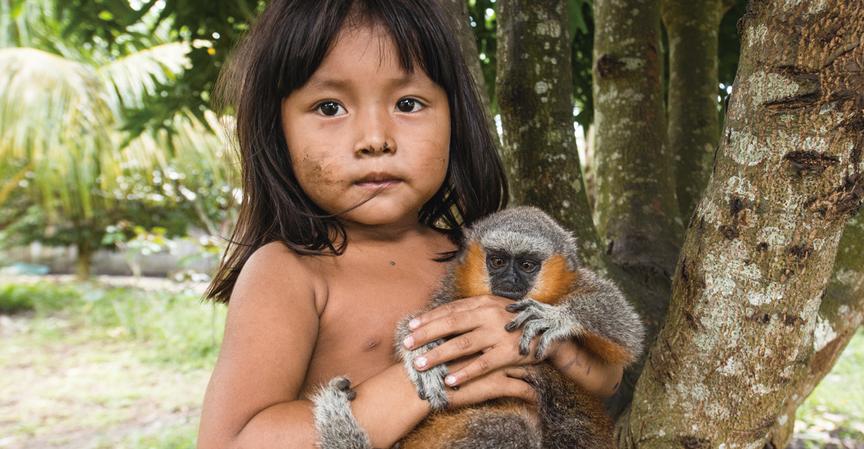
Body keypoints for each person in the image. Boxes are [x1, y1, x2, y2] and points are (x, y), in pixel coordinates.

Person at [196, 1, 625, 448]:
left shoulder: (482, 257)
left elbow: (608, 378)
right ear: (276, 130)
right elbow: (229, 443)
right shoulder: (289, 271)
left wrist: (550, 342)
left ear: (455, 119)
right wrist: (423, 379)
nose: (375, 139)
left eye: (407, 103)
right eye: (329, 107)